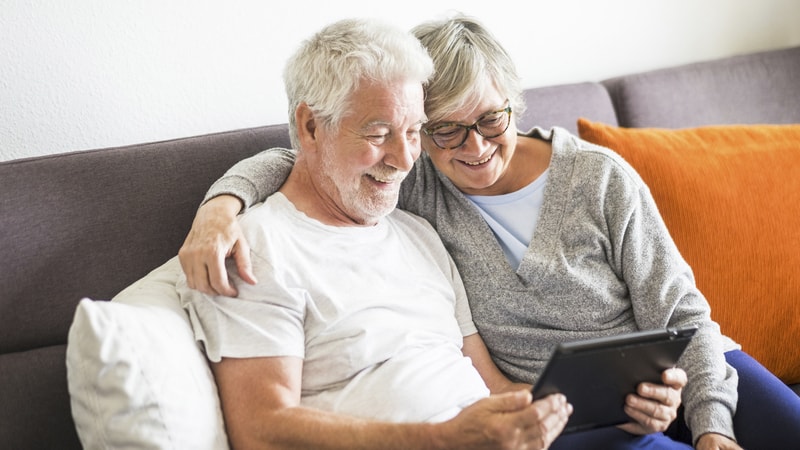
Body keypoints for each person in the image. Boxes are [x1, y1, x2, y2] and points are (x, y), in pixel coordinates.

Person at [180, 14, 800, 450]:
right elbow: (298, 161)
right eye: (444, 128)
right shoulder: (412, 176)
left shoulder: (596, 177)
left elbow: (681, 310)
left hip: (682, 371)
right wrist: (221, 207)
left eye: (490, 119)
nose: (473, 147)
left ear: (514, 103)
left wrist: (710, 419)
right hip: (566, 413)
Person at [178, 17, 576, 450]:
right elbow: (261, 430)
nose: (405, 159)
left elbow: (493, 387)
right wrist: (444, 439)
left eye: (412, 132)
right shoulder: (256, 248)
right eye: (380, 133)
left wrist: (589, 404)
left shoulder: (420, 234)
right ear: (311, 127)